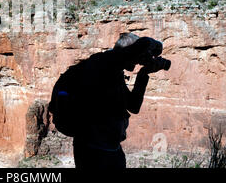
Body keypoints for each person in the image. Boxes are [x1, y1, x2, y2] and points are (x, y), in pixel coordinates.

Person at [67, 33, 168, 169]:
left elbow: (133, 106)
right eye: (137, 56)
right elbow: (143, 44)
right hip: (93, 150)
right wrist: (155, 45)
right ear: (127, 52)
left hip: (112, 148)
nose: (137, 62)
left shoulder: (116, 73)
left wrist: (143, 74)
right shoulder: (102, 64)